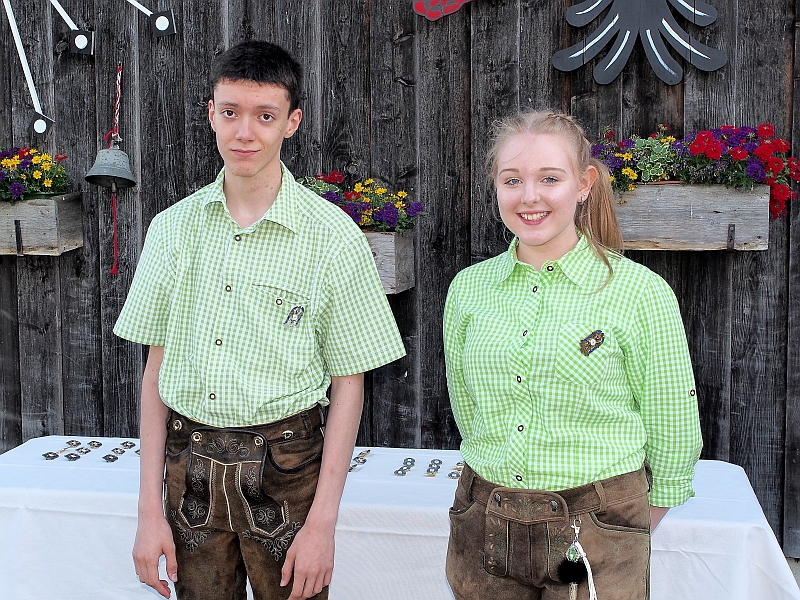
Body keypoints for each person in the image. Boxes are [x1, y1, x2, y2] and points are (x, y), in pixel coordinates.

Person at [114, 40, 405, 600]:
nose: (244, 133)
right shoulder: (171, 230)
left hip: (289, 470)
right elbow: (156, 371)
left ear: (292, 122)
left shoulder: (332, 237)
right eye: (230, 112)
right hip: (188, 468)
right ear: (211, 114)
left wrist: (322, 524)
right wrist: (148, 512)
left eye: (265, 116)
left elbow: (350, 384)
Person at [443, 110, 702, 600]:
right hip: (485, 524)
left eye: (550, 178)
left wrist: (627, 524)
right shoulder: (468, 290)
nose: (529, 196)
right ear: (495, 186)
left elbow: (672, 417)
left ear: (583, 185)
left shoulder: (638, 292)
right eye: (512, 180)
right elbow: (467, 406)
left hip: (597, 530)